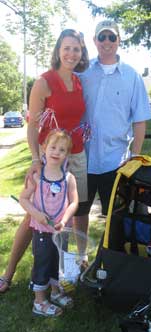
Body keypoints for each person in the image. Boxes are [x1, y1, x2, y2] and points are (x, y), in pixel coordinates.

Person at [0, 29, 89, 293]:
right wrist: (36, 159)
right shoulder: (44, 82)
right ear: (58, 50)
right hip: (48, 156)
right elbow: (31, 126)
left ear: (81, 53)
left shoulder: (80, 81)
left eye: (77, 49)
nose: (71, 53)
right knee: (33, 217)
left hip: (76, 154)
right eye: (67, 47)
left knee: (73, 211)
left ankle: (62, 270)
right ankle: (8, 272)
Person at [76, 20, 151, 235]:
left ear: (119, 40)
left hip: (116, 161)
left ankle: (113, 261)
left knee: (118, 215)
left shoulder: (132, 76)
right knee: (79, 212)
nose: (107, 41)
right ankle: (80, 257)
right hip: (82, 158)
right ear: (94, 41)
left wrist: (135, 157)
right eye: (102, 37)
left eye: (112, 37)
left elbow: (139, 120)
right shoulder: (82, 72)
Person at [19, 130, 78, 317]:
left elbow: (74, 202)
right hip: (42, 231)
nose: (56, 152)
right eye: (52, 147)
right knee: (43, 263)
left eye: (62, 149)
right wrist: (36, 214)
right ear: (44, 148)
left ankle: (55, 292)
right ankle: (39, 301)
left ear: (67, 154)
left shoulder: (69, 178)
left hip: (61, 231)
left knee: (57, 262)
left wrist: (65, 220)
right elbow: (23, 199)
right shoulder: (37, 176)